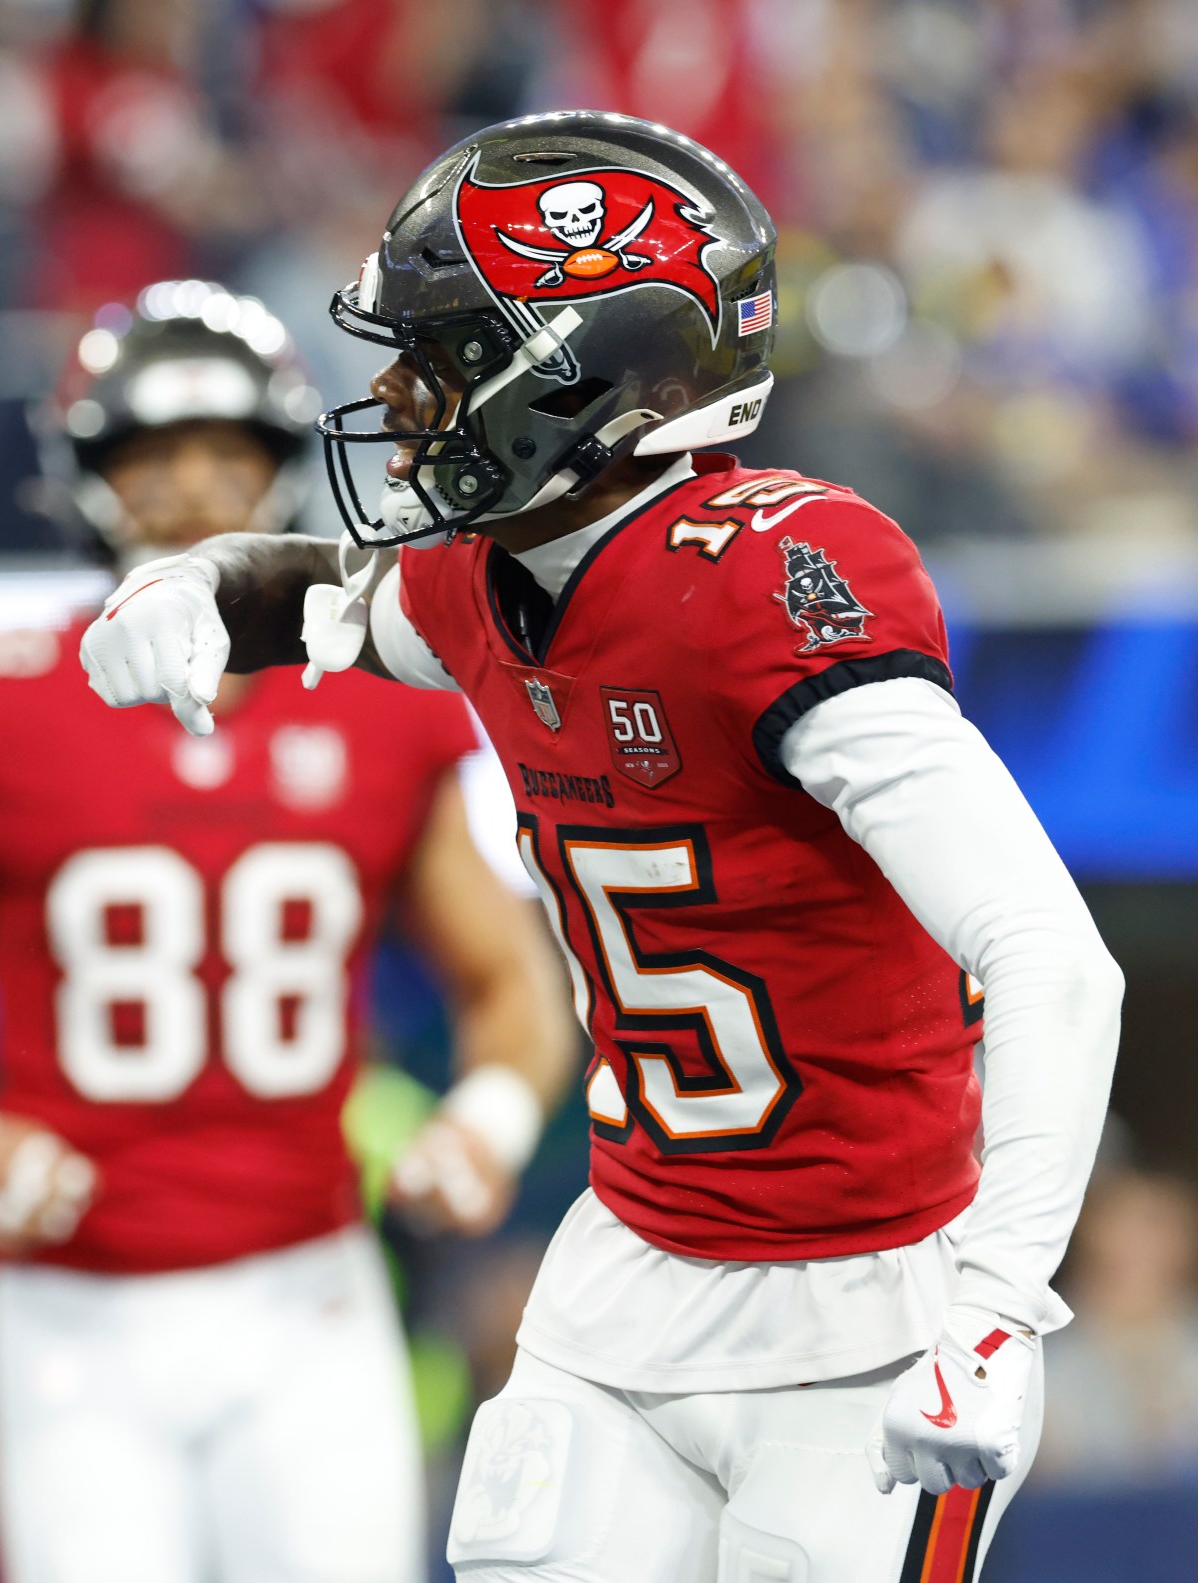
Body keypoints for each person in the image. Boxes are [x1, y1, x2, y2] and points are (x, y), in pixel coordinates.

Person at [79, 114, 1123, 1581]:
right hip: (627, 1275)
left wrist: (1002, 1307)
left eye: (438, 353)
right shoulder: (483, 582)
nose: (392, 393)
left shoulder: (769, 582)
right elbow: (321, 589)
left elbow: (1053, 960)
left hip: (872, 1309)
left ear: (576, 373)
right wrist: (196, 587)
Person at [0, 283, 573, 1583]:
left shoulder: (381, 707)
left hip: (310, 1289)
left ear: (279, 468)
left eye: (227, 452)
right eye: (155, 455)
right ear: (90, 474)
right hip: (72, 1302)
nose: (191, 488)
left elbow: (509, 978)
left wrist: (490, 1123)